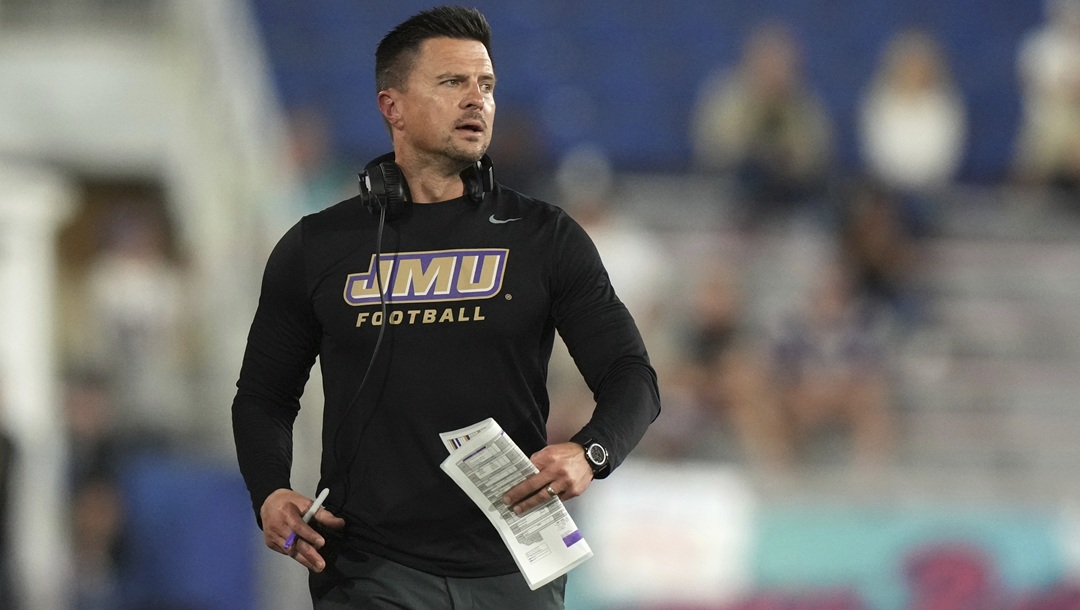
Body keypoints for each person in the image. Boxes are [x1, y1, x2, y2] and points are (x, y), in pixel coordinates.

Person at [231, 6, 661, 609]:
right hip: (369, 568)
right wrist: (270, 491)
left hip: (514, 562)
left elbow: (631, 375)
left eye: (486, 84)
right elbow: (263, 396)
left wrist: (592, 452)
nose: (476, 99)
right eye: (452, 82)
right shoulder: (317, 246)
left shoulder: (545, 237)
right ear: (393, 107)